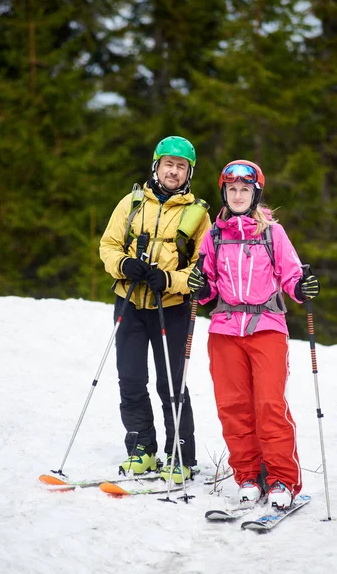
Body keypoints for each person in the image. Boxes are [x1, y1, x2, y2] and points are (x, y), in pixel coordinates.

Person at [187, 159, 320, 508]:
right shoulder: (214, 235)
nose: (238, 194)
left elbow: (291, 275)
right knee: (233, 407)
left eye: (245, 189)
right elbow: (207, 285)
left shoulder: (272, 232)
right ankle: (247, 475)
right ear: (225, 192)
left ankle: (280, 480)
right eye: (232, 189)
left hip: (266, 328)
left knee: (269, 405)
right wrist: (199, 289)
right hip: (225, 329)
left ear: (255, 192)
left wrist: (302, 288)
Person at [100, 136, 211, 483]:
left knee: (171, 384)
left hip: (172, 306)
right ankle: (141, 449)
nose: (173, 171)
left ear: (188, 172)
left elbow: (201, 269)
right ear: (156, 166)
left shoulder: (198, 216)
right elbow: (108, 246)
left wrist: (170, 279)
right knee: (131, 379)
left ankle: (181, 455)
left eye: (181, 166)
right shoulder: (132, 202)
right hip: (130, 300)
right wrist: (124, 264)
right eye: (168, 164)